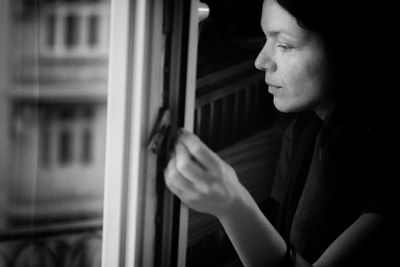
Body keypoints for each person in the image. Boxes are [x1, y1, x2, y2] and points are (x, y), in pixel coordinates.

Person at [164, 0, 397, 266]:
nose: (261, 61)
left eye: (284, 45)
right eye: (264, 38)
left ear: (346, 49)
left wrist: (233, 205)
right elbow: (279, 237)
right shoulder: (304, 127)